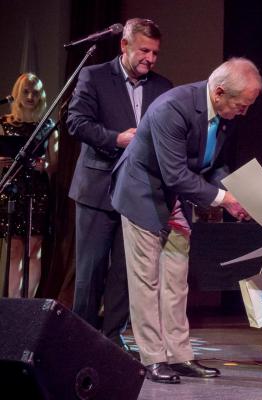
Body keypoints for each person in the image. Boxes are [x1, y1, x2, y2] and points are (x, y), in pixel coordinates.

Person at [110, 57, 262, 383]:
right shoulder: (174, 108)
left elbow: (212, 165)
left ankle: (179, 356)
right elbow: (176, 174)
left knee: (176, 282)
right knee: (146, 282)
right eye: (241, 105)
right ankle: (152, 358)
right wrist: (224, 199)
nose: (244, 112)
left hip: (175, 199)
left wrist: (236, 195)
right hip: (143, 196)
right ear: (220, 92)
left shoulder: (224, 113)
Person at [67, 18, 172, 350]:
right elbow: (76, 121)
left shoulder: (163, 87)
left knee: (126, 275)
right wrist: (116, 139)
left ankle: (110, 340)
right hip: (97, 188)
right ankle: (80, 341)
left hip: (138, 195)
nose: (150, 59)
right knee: (90, 271)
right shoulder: (94, 76)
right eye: (144, 50)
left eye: (155, 53)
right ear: (124, 45)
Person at [0, 73, 54, 298]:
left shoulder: (47, 124)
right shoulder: (4, 123)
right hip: (12, 190)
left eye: (35, 92)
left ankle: (28, 305)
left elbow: (55, 162)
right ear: (17, 94)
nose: (31, 96)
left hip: (36, 191)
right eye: (26, 92)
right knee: (14, 251)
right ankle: (13, 305)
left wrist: (45, 165)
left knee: (34, 251)